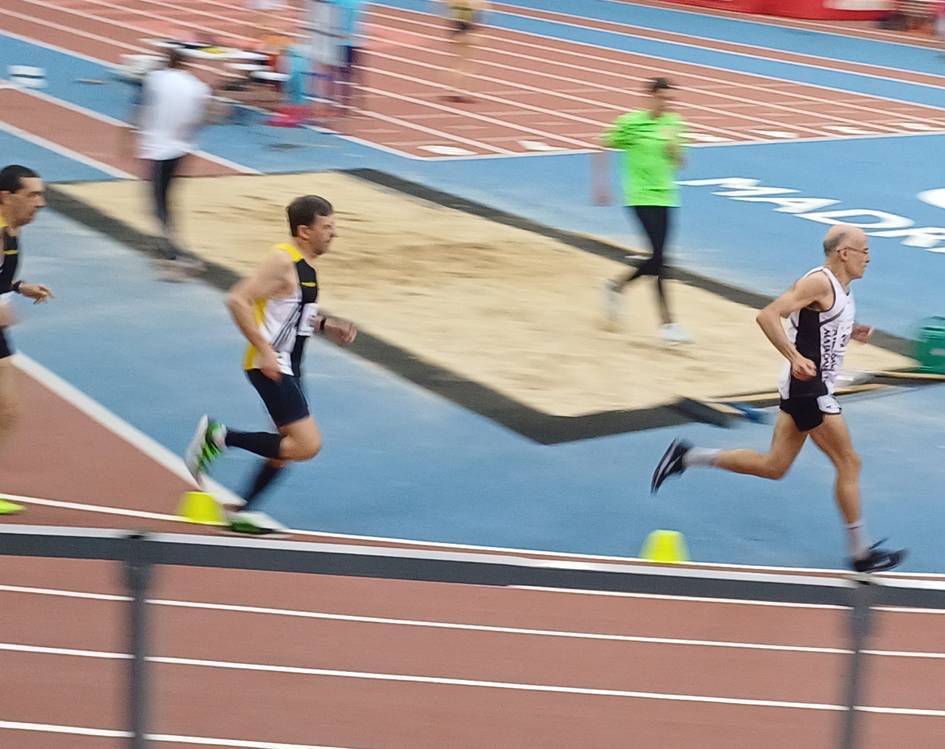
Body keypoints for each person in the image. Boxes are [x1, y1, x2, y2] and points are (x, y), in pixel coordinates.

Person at [650, 224, 905, 573]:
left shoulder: (841, 289)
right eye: (864, 250)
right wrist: (793, 356)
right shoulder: (819, 281)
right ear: (843, 252)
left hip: (807, 389)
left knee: (775, 466)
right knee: (850, 463)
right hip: (809, 390)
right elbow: (768, 315)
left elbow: (820, 321)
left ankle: (688, 456)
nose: (869, 257)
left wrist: (851, 330)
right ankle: (860, 555)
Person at [185, 195, 357, 534]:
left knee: (284, 448)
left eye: (334, 227)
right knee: (307, 445)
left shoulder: (305, 267)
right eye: (327, 227)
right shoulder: (282, 260)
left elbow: (290, 315)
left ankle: (243, 512)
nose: (333, 234)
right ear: (304, 231)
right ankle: (218, 437)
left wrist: (326, 325)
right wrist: (263, 349)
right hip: (270, 364)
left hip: (289, 365)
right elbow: (237, 299)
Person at [595, 77, 690, 345]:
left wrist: (674, 148)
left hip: (667, 196)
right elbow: (602, 144)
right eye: (663, 98)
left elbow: (680, 162)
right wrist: (601, 186)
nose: (668, 103)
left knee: (659, 258)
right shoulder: (631, 123)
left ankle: (617, 286)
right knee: (660, 258)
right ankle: (668, 324)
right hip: (639, 195)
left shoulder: (675, 124)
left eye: (671, 99)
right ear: (650, 96)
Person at [126, 48, 212, 280]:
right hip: (180, 149)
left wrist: (130, 134)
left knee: (158, 201)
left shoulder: (156, 78)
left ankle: (173, 254)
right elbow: (202, 117)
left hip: (156, 149)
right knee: (166, 198)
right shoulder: (196, 86)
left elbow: (141, 107)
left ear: (168, 62)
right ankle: (169, 247)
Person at [0, 165, 54, 515]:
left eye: (41, 194)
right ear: (6, 197)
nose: (41, 202)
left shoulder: (11, 231)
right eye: (32, 195)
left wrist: (19, 287)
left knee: (7, 409)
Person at [441, 0, 489, 103]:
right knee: (467, 66)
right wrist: (479, 34)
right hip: (468, 35)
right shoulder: (475, 2)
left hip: (454, 34)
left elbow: (445, 12)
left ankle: (452, 90)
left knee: (457, 64)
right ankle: (464, 94)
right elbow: (479, 18)